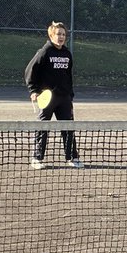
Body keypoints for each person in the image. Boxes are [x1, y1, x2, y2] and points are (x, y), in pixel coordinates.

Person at [24, 21, 82, 168]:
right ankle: (37, 159)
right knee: (43, 127)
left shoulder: (67, 54)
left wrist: (70, 96)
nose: (61, 37)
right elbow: (30, 71)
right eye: (58, 34)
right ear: (51, 35)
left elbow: (68, 77)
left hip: (64, 98)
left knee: (68, 127)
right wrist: (33, 91)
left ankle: (72, 158)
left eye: (63, 34)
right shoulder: (44, 52)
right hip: (47, 98)